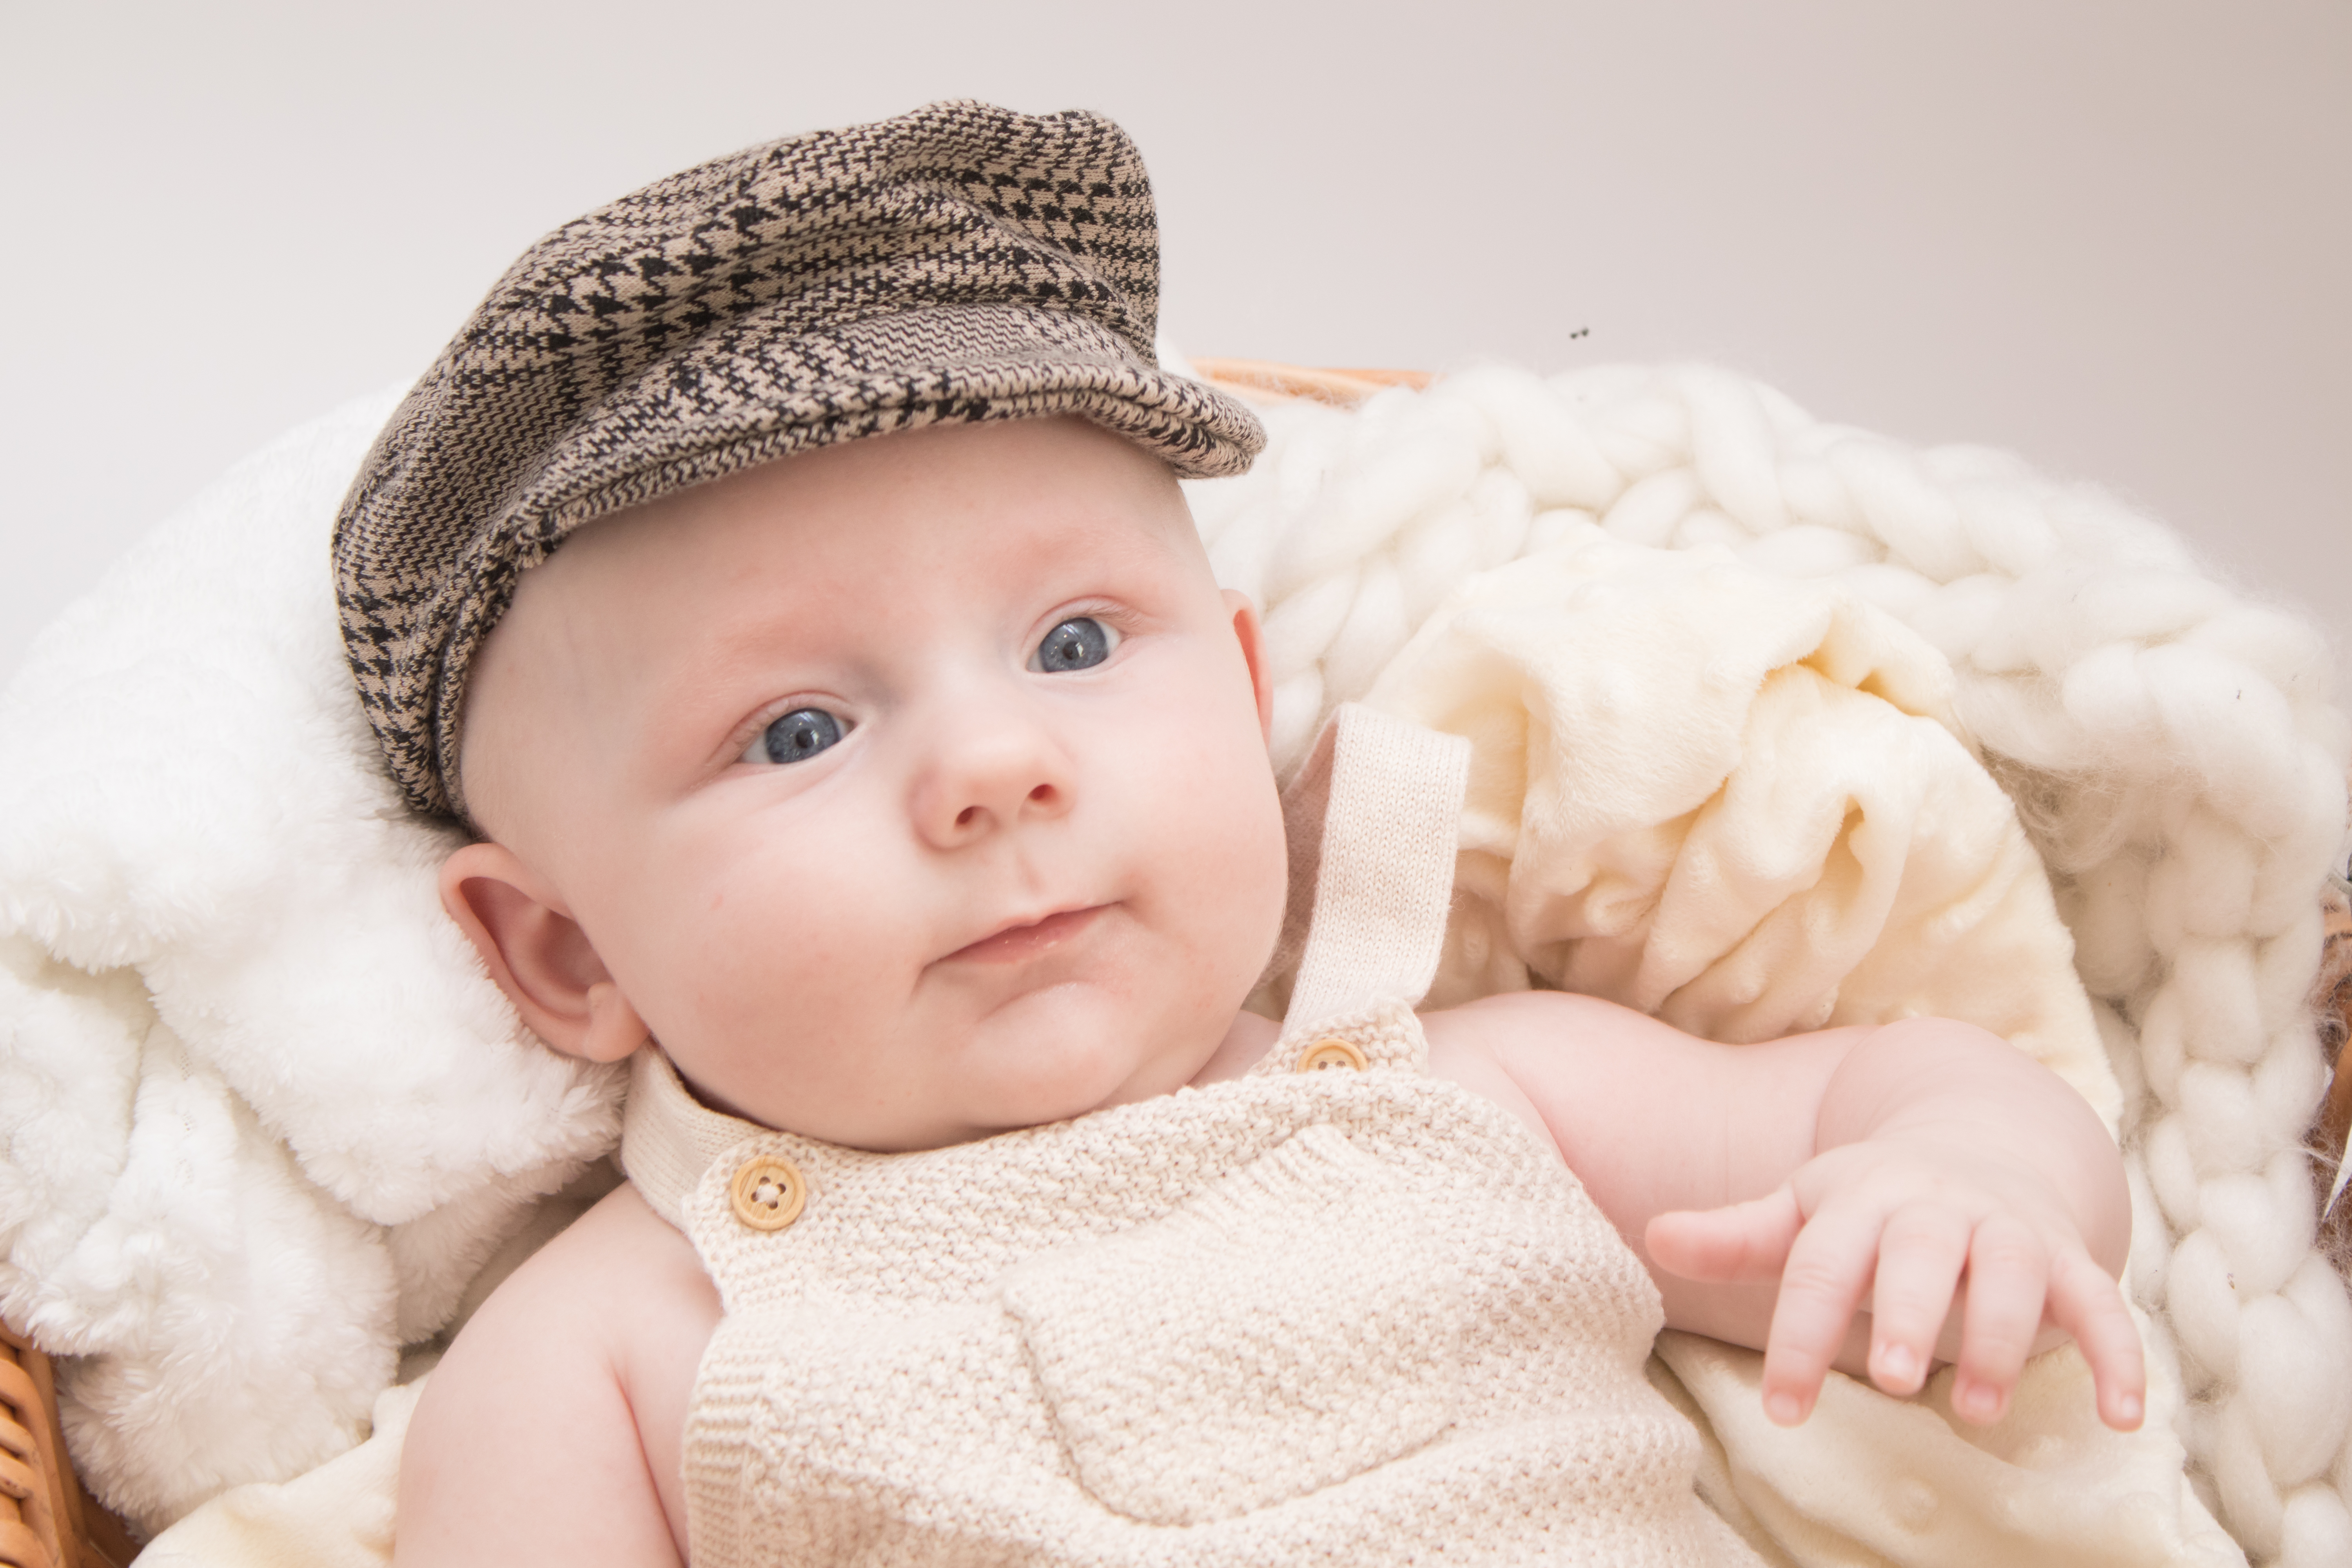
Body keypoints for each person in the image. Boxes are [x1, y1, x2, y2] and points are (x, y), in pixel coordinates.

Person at [337, 101, 2143, 1568]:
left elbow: (1899, 1093)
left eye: (1072, 644)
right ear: (568, 952)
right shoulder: (611, 1355)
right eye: (797, 730)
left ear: (1244, 688)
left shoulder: (1473, 1100)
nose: (996, 766)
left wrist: (1959, 1187)